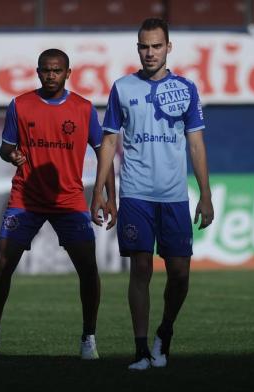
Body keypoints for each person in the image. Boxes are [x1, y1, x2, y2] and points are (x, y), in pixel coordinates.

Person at [0, 48, 116, 359]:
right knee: (2, 265)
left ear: (68, 73)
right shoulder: (20, 106)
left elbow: (104, 152)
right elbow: (5, 147)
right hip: (27, 198)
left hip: (69, 200)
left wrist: (107, 195)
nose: (51, 75)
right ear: (38, 72)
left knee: (88, 270)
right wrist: (11, 155)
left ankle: (88, 338)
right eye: (46, 70)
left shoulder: (83, 108)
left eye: (57, 70)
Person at [91, 18, 214, 370]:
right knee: (141, 268)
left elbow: (196, 144)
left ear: (168, 48)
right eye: (144, 46)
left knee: (179, 275)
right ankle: (142, 349)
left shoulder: (186, 89)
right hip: (135, 193)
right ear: (138, 48)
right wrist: (100, 189)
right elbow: (110, 139)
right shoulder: (122, 87)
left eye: (156, 46)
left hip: (174, 196)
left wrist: (205, 194)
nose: (149, 52)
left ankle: (165, 331)